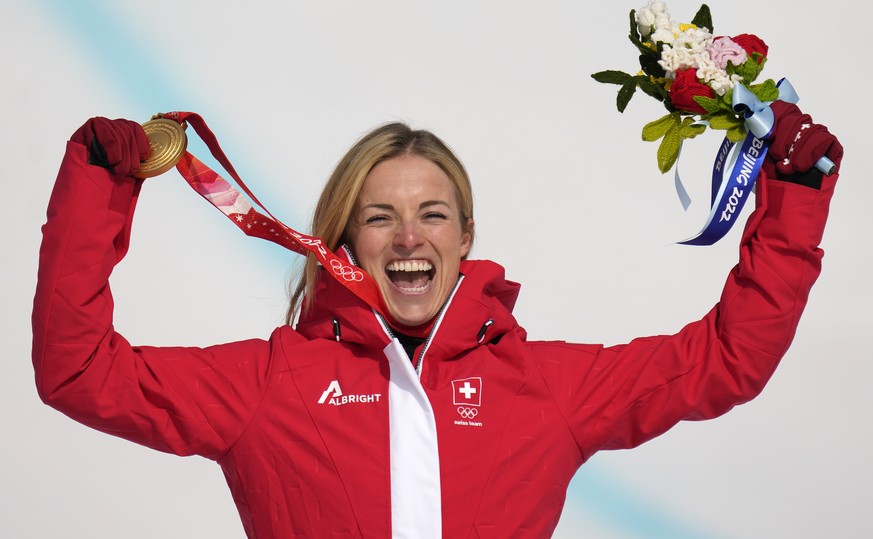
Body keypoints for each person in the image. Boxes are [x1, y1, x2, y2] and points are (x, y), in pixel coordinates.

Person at [32, 104, 842, 538]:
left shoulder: (546, 387)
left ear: (465, 238)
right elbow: (80, 372)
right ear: (343, 239)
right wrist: (100, 188)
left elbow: (725, 359)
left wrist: (793, 200)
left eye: (432, 214)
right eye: (379, 216)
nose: (409, 236)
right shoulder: (269, 384)